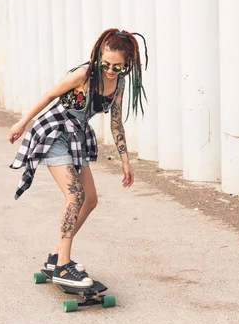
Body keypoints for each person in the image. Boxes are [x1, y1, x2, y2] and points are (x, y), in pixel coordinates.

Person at [8, 28, 147, 288]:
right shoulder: (84, 73)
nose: (109, 71)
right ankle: (62, 266)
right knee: (75, 195)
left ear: (127, 65)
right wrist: (21, 123)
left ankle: (55, 257)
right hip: (54, 131)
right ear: (98, 56)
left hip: (77, 136)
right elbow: (49, 95)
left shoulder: (119, 83)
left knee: (90, 199)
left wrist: (125, 161)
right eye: (105, 64)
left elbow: (116, 122)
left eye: (117, 67)